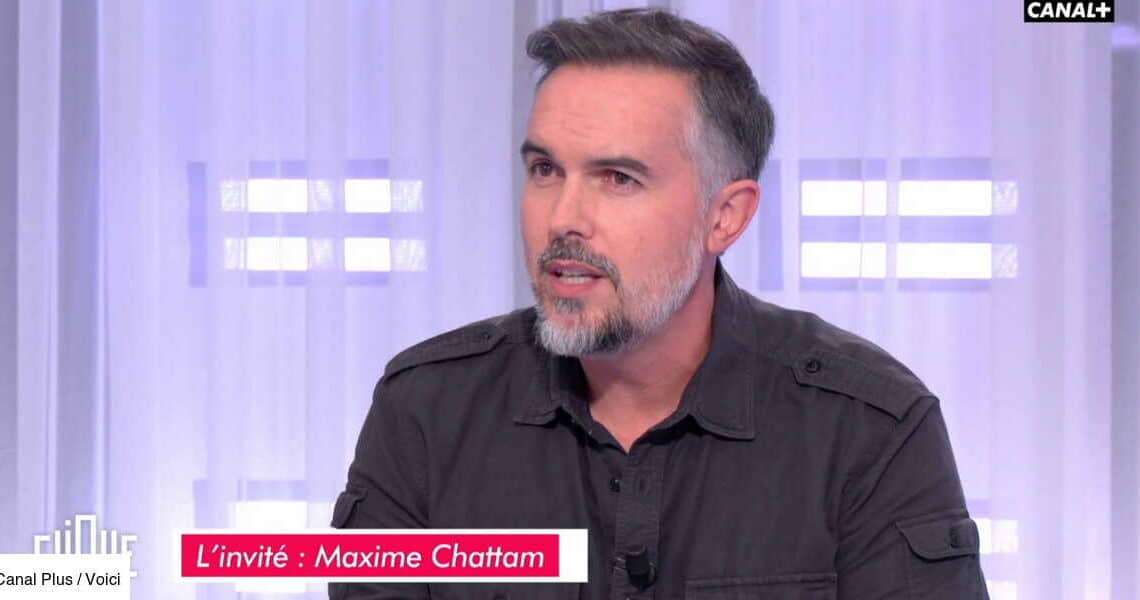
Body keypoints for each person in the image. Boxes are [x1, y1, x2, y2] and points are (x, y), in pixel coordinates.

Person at [331, 8, 988, 600]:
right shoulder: (424, 409)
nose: (563, 218)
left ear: (725, 217)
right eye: (545, 170)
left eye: (618, 178)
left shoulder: (870, 426)